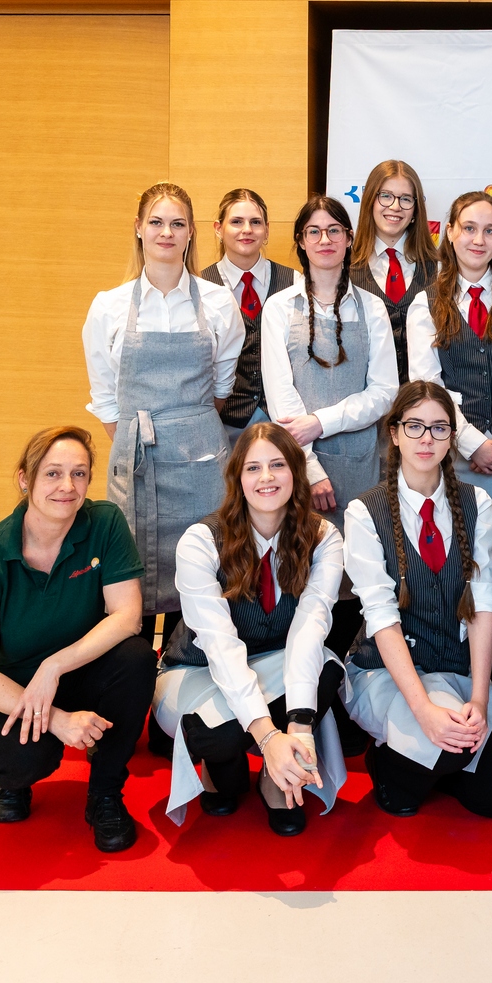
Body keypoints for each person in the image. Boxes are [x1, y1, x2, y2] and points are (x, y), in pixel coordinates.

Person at [0, 427, 156, 852]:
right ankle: (13, 782)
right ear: (25, 479)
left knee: (136, 658)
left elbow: (127, 617)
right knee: (30, 758)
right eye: (52, 474)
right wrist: (59, 721)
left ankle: (105, 793)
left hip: (72, 670)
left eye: (79, 474)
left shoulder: (105, 523)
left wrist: (54, 666)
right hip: (6, 688)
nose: (67, 486)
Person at [341, 382, 492, 819]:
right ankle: (391, 759)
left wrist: (478, 700)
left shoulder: (477, 503)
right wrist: (423, 710)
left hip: (455, 670)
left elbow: (483, 605)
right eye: (415, 426)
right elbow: (382, 619)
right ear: (394, 433)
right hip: (387, 672)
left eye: (439, 428)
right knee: (443, 754)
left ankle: (435, 758)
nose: (426, 438)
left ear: (451, 438)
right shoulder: (364, 512)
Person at [152, 423, 347, 835]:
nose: (266, 478)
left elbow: (310, 629)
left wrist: (298, 729)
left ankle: (277, 780)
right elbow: (219, 646)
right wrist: (267, 737)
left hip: (275, 663)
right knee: (223, 743)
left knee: (327, 669)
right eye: (253, 468)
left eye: (278, 465)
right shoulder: (201, 541)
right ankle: (222, 767)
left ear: (296, 472)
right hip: (197, 668)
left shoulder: (323, 537)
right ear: (237, 478)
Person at [406, 190, 492, 734]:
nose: (479, 239)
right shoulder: (426, 302)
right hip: (450, 457)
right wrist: (470, 443)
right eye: (468, 228)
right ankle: (455, 686)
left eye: (489, 230)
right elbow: (427, 383)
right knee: (455, 569)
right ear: (450, 233)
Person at [83, 181, 244, 641]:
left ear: (192, 232)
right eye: (156, 222)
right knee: (131, 575)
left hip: (203, 467)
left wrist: (183, 429)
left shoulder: (218, 302)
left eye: (177, 224)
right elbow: (106, 400)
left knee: (203, 574)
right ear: (138, 228)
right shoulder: (109, 306)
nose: (166, 233)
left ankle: (184, 671)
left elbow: (221, 388)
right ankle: (135, 673)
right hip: (137, 464)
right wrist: (140, 440)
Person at [261, 195, 397, 536]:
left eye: (334, 230)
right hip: (296, 462)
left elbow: (384, 392)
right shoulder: (278, 308)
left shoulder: (372, 308)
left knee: (360, 553)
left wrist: (320, 422)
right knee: (301, 555)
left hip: (361, 462)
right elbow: (281, 397)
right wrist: (310, 468)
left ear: (349, 239)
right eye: (314, 231)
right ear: (301, 241)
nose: (325, 240)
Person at [201, 188, 295, 443]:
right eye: (236, 222)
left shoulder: (294, 282)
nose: (247, 230)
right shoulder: (200, 287)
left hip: (282, 422)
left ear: (267, 230)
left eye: (255, 222)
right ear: (218, 229)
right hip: (222, 424)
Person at [348, 159, 439, 382]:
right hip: (364, 397)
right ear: (370, 201)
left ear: (416, 209)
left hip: (423, 397)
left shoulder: (439, 267)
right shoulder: (345, 267)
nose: (395, 206)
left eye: (405, 199)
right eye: (386, 196)